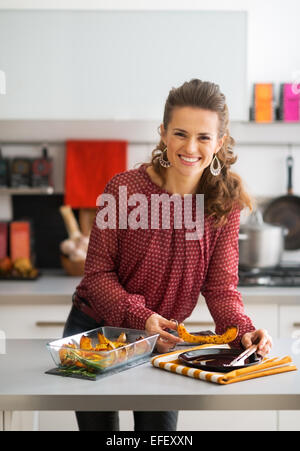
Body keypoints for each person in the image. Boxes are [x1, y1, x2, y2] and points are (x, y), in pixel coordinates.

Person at [63, 79, 272, 431]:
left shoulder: (223, 204)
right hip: (98, 333)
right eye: (180, 133)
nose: (190, 147)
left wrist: (244, 332)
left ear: (219, 142)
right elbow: (96, 275)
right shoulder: (124, 189)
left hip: (165, 342)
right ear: (163, 133)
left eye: (204, 137)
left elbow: (221, 289)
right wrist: (142, 318)